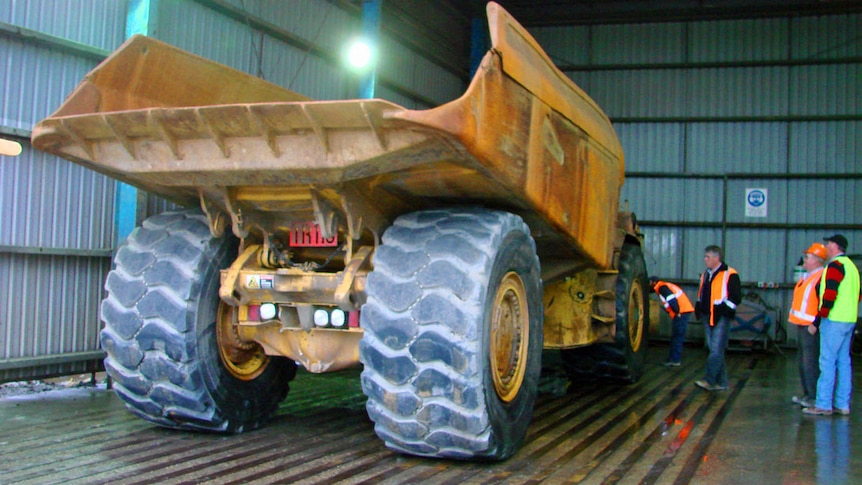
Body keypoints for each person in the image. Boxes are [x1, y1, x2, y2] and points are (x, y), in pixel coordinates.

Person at [803, 234, 860, 416]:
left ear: (835, 246)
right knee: (844, 362)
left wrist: (818, 320)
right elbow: (858, 294)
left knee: (827, 362)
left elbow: (829, 296)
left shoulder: (835, 267)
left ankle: (823, 404)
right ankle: (843, 404)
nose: (826, 247)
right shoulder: (852, 267)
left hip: (833, 321)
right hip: (849, 319)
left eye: (828, 244)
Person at [694, 245, 741, 391]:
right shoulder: (705, 274)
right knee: (714, 349)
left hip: (721, 317)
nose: (705, 259)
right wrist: (699, 308)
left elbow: (735, 297)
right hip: (707, 316)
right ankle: (722, 382)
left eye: (707, 257)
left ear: (716, 258)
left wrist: (724, 311)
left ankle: (709, 380)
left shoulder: (730, 274)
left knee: (715, 350)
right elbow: (702, 294)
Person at [788, 242, 827, 408]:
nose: (804, 259)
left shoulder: (820, 278)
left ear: (817, 260)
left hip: (811, 327)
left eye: (808, 257)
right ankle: (807, 394)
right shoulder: (808, 276)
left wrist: (816, 324)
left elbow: (824, 303)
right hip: (802, 324)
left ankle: (813, 396)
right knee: (803, 361)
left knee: (810, 361)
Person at [650, 277, 694, 367]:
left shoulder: (662, 287)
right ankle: (673, 358)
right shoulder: (664, 286)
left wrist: (677, 311)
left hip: (681, 312)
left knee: (677, 337)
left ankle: (674, 360)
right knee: (677, 336)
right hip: (683, 311)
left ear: (654, 282)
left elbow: (671, 299)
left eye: (649, 284)